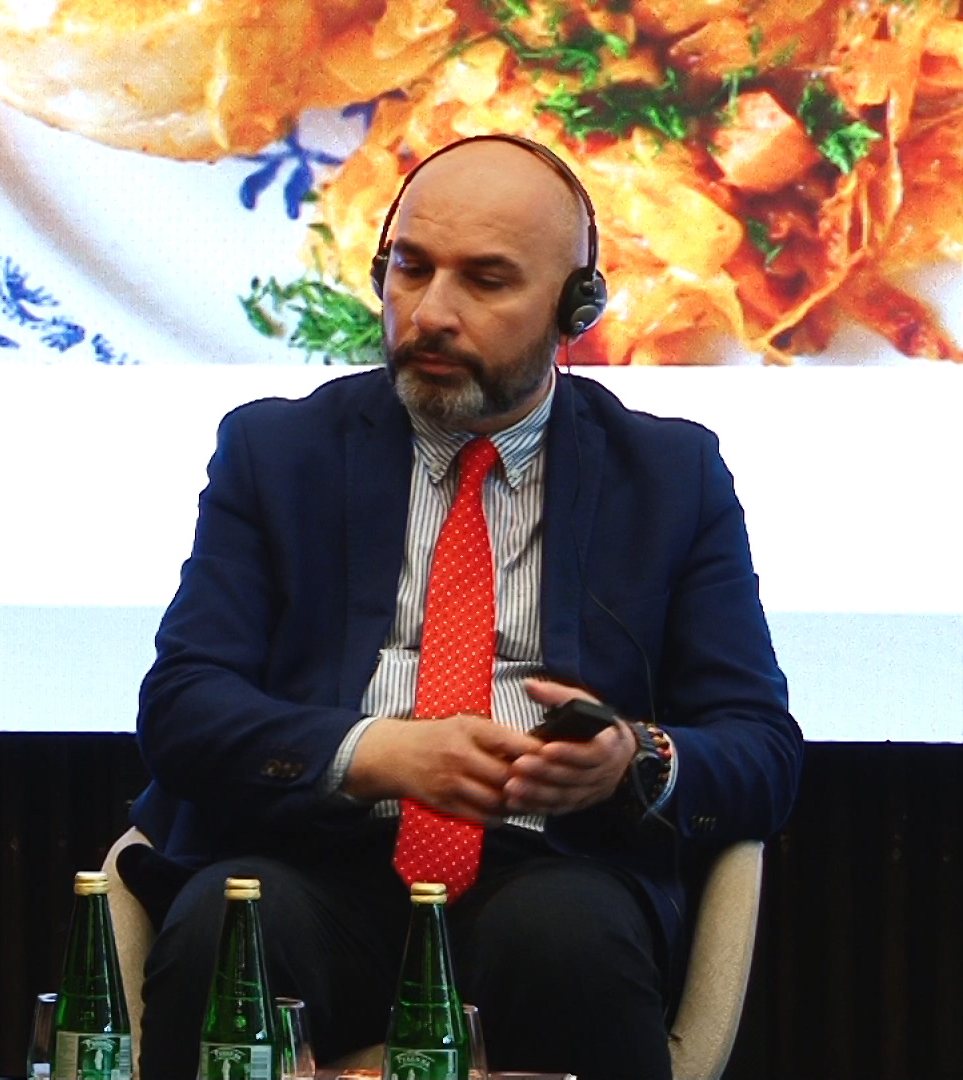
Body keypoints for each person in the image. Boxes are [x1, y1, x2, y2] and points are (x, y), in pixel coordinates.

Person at [121, 134, 803, 1079]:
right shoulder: (279, 452)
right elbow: (184, 708)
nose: (431, 313)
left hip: (552, 866)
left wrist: (633, 760)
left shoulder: (669, 475)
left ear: (575, 309)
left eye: (485, 281)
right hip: (313, 858)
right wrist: (379, 754)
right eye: (411, 269)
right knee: (227, 924)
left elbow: (762, 750)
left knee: (566, 936)